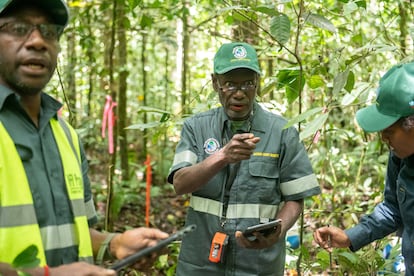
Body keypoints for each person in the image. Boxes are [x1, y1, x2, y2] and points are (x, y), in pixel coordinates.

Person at [0, 0, 169, 275]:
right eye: (19, 29)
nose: (38, 41)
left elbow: (72, 231)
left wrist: (114, 244)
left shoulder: (65, 135)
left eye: (49, 32)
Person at [167, 41, 321, 275]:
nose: (239, 93)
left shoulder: (281, 132)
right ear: (215, 83)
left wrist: (278, 231)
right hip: (201, 261)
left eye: (247, 84)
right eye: (230, 84)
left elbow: (295, 198)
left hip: (258, 263)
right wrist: (221, 156)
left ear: (257, 83)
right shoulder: (196, 128)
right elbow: (180, 183)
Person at [313, 62, 414, 275]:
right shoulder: (401, 156)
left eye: (389, 131)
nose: (383, 139)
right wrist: (351, 236)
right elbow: (393, 208)